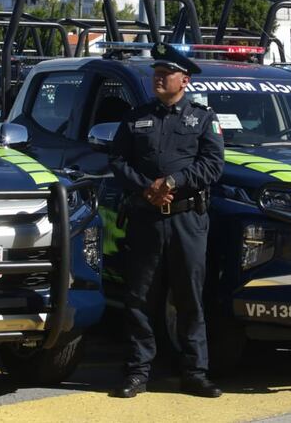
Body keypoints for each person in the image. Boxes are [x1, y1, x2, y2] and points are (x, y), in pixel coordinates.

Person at [108, 44, 225, 398]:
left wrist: (173, 183)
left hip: (187, 220)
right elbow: (117, 161)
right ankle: (137, 372)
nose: (158, 78)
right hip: (146, 219)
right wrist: (147, 189)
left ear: (184, 80)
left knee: (189, 297)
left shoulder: (203, 118)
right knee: (139, 298)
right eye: (156, 73)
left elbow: (212, 165)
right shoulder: (135, 117)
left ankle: (194, 372)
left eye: (166, 74)